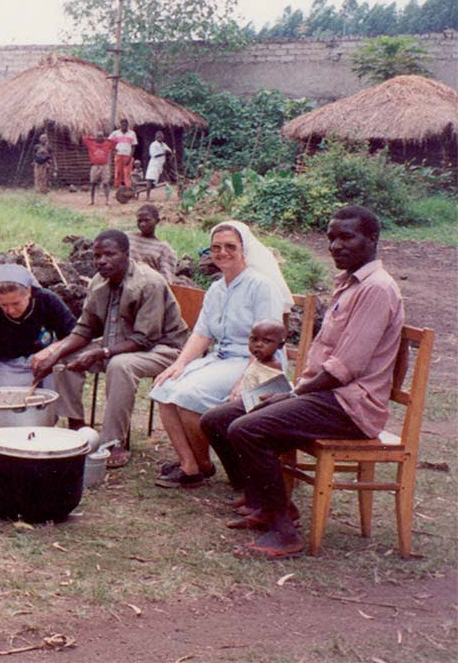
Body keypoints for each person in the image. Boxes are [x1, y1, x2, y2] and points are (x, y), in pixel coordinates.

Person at [200, 206, 403, 559]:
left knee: (247, 428)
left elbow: (346, 368)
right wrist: (292, 391)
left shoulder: (377, 290)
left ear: (372, 239)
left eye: (346, 237)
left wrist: (292, 393)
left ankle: (284, 532)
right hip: (321, 393)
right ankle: (265, 503)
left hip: (348, 405)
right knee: (217, 419)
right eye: (331, 238)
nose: (336, 246)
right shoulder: (349, 284)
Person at [148, 221, 292, 488]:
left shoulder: (261, 286)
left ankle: (202, 463)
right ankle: (189, 464)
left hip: (257, 363)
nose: (222, 252)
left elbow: (269, 344)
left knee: (189, 395)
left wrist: (247, 380)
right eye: (216, 247)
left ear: (244, 250)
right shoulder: (216, 288)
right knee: (163, 386)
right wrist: (178, 365)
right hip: (222, 359)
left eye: (230, 247)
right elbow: (202, 334)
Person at [32, 230, 189, 468]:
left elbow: (144, 339)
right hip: (117, 343)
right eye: (97, 256)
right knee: (65, 360)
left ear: (126, 255)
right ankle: (77, 428)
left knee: (120, 365)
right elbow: (85, 328)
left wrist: (103, 352)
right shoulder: (98, 281)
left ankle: (113, 442)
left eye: (110, 254)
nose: (102, 261)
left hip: (162, 349)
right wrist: (55, 354)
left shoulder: (149, 282)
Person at [0, 264, 76, 389]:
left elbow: (75, 335)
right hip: (9, 367)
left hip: (47, 359)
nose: (11, 310)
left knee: (63, 374)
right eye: (4, 305)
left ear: (29, 291)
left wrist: (51, 350)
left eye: (16, 303)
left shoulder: (47, 300)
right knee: (8, 397)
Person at [227, 320, 288, 402]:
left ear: (280, 345)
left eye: (266, 341)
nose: (258, 345)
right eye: (254, 339)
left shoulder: (271, 370)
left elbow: (266, 398)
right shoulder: (258, 361)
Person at [127, 205, 179, 282]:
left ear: (157, 221)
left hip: (148, 285)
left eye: (147, 220)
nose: (142, 224)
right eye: (139, 221)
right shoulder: (127, 237)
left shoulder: (164, 248)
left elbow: (166, 280)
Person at [80, 131, 116, 205]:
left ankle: (107, 200)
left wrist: (106, 139)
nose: (100, 138)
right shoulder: (91, 144)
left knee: (106, 183)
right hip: (95, 166)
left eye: (101, 136)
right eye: (98, 136)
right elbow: (84, 138)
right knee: (93, 183)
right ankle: (92, 200)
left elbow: (115, 142)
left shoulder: (107, 144)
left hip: (104, 166)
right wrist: (93, 138)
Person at [108, 119, 139, 193]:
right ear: (120, 125)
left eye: (125, 125)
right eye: (122, 125)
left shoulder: (132, 133)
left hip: (127, 156)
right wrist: (113, 150)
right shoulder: (115, 133)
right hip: (118, 155)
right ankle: (117, 191)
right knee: (118, 172)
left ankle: (128, 191)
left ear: (127, 125)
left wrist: (130, 157)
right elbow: (109, 142)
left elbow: (133, 146)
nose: (124, 126)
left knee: (127, 173)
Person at [144, 131, 173, 199]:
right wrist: (164, 153)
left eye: (161, 137)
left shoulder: (163, 144)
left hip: (160, 165)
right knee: (150, 180)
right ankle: (147, 197)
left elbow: (169, 151)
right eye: (158, 137)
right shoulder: (153, 145)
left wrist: (166, 152)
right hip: (154, 165)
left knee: (154, 182)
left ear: (163, 138)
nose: (160, 138)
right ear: (156, 137)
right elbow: (154, 154)